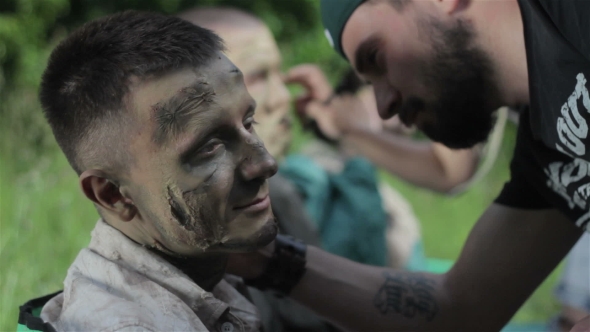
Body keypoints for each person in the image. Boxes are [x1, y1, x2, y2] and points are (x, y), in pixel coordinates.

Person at [226, 0, 590, 331]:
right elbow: (461, 307)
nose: (384, 105)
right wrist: (264, 261)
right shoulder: (548, 152)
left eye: (376, 57)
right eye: (369, 82)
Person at [27, 10, 282, 331]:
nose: (265, 164)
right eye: (209, 147)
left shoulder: (204, 265)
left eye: (249, 122)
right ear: (112, 193)